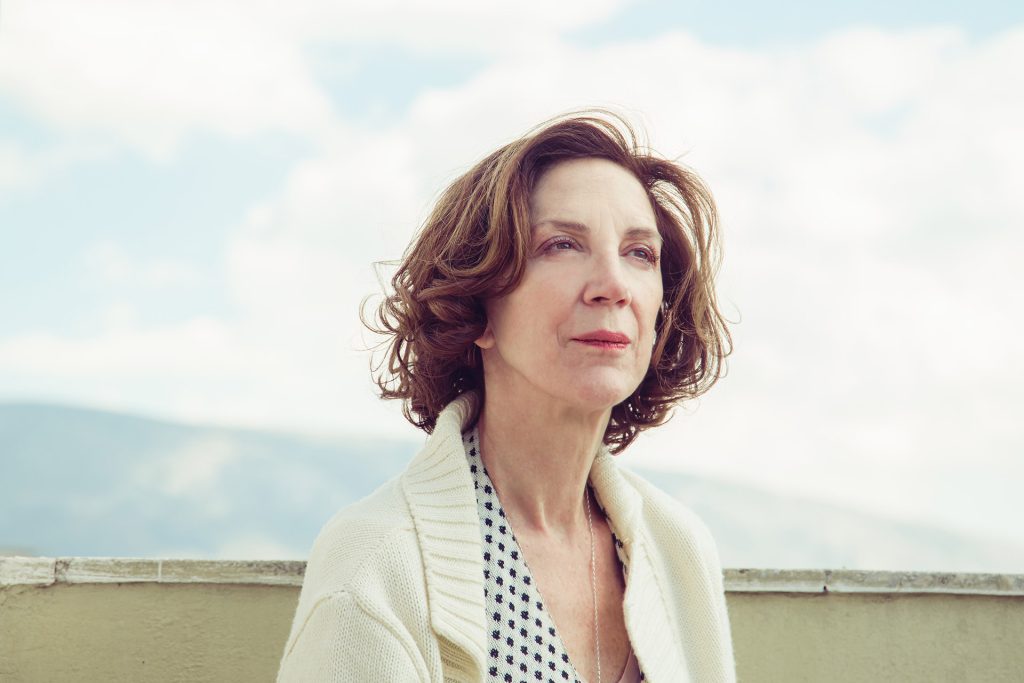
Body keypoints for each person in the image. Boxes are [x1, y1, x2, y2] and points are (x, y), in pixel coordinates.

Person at [277, 111, 735, 682]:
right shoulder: (375, 567)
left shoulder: (678, 549)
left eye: (640, 253)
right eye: (562, 245)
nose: (614, 286)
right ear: (477, 306)